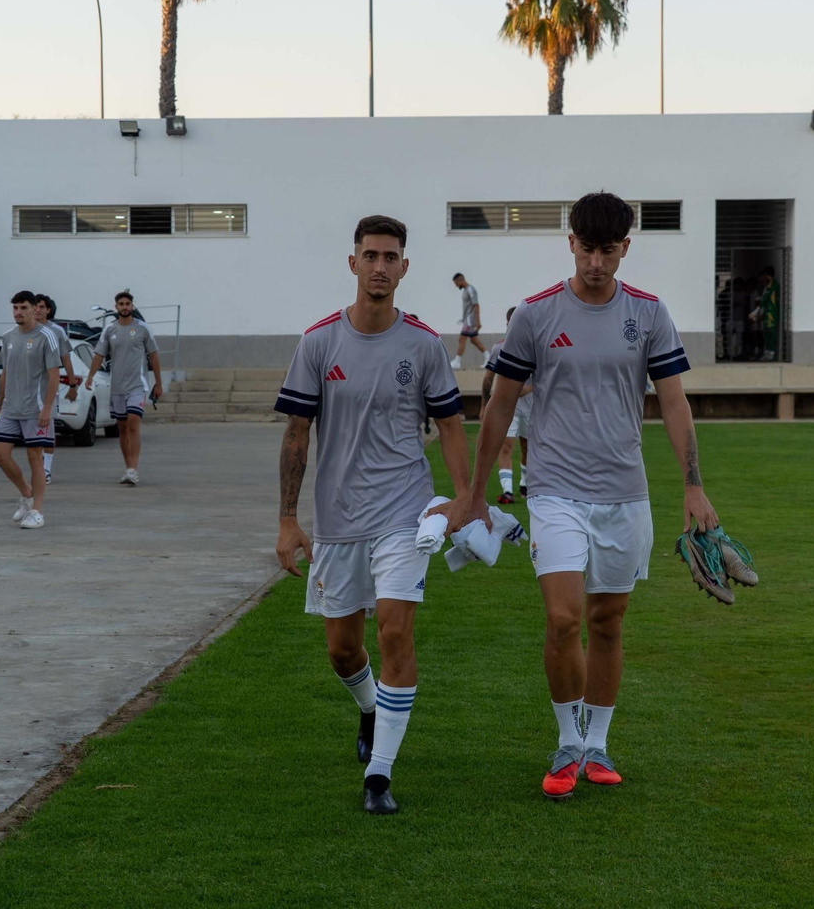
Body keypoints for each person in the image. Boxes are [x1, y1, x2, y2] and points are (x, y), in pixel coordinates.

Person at [435, 191, 723, 801]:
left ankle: (598, 747)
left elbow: (674, 402)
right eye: (587, 248)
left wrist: (693, 485)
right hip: (556, 490)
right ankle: (568, 741)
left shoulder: (649, 313)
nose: (596, 262)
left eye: (608, 250)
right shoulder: (536, 314)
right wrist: (474, 493)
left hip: (625, 493)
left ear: (625, 247)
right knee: (564, 619)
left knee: (607, 622)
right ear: (570, 243)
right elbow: (500, 405)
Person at [274, 214, 472, 816]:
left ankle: (380, 776)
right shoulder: (318, 342)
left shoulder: (423, 343)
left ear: (405, 267)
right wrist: (287, 520)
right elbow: (296, 434)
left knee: (394, 629)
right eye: (371, 255)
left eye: (391, 257)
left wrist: (463, 497)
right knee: (342, 648)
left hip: (403, 512)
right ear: (353, 263)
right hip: (337, 520)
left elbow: (450, 424)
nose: (380, 266)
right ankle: (368, 710)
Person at [0, 291, 61, 529]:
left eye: (23, 308)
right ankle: (26, 494)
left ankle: (37, 511)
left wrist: (47, 408)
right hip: (11, 408)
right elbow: (5, 373)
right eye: (15, 308)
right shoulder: (8, 337)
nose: (18, 312)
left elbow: (54, 375)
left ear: (34, 309)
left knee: (35, 458)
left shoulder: (47, 337)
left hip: (36, 409)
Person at [85, 290, 163, 486]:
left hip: (137, 385)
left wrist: (158, 383)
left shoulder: (143, 328)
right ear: (116, 307)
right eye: (121, 304)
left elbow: (153, 355)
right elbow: (98, 355)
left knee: (133, 422)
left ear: (132, 306)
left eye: (128, 303)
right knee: (122, 427)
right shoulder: (109, 330)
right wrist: (90, 376)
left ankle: (134, 469)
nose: (125, 307)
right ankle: (127, 467)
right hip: (117, 386)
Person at [483, 305, 533, 504]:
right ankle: (507, 491)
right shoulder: (499, 347)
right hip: (507, 407)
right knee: (506, 446)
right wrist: (483, 405)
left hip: (531, 407)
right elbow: (488, 378)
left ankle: (524, 483)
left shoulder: (535, 346)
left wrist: (528, 389)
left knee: (527, 447)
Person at [33, 294, 79, 484]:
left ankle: (46, 468)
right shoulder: (26, 330)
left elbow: (66, 358)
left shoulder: (56, 332)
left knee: (48, 428)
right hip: (27, 390)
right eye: (35, 306)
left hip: (47, 388)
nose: (37, 310)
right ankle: (36, 468)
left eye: (41, 307)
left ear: (48, 310)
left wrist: (72, 384)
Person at [450, 273, 486, 369]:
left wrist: (477, 322)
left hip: (470, 321)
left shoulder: (470, 289)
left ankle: (457, 361)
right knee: (474, 340)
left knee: (461, 338)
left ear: (460, 280)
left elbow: (476, 305)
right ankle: (489, 357)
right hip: (467, 320)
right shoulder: (466, 290)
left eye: (456, 283)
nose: (456, 285)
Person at [755, 266, 781, 361]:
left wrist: (757, 308)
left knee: (771, 333)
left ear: (766, 275)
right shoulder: (767, 285)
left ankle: (771, 352)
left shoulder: (773, 284)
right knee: (766, 333)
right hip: (767, 312)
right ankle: (767, 352)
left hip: (772, 312)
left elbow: (765, 298)